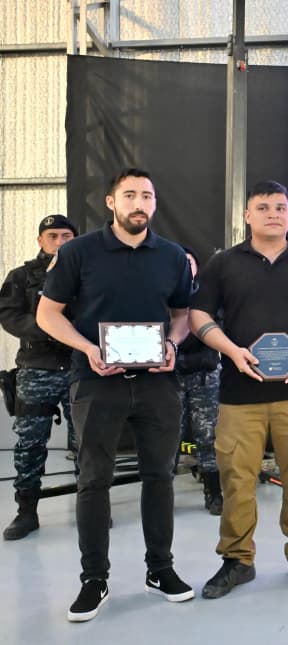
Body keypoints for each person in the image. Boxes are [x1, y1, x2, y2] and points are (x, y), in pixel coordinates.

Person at [37, 168, 194, 622]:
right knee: (94, 480)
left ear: (154, 203)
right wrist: (88, 348)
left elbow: (182, 314)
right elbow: (48, 315)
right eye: (129, 195)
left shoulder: (171, 256)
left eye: (146, 195)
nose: (138, 203)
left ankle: (160, 570)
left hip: (156, 384)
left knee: (160, 476)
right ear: (111, 203)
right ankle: (94, 579)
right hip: (95, 382)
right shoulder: (77, 252)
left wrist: (172, 344)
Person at [190, 180, 288, 599]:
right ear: (247, 215)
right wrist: (231, 350)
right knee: (237, 480)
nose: (273, 214)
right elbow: (198, 314)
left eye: (280, 207)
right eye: (263, 207)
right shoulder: (223, 264)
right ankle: (237, 560)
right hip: (239, 395)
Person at [0, 215, 79, 540]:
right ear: (40, 240)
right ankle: (26, 511)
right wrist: (49, 329)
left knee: (87, 440)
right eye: (52, 236)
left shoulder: (87, 273)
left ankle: (90, 507)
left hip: (79, 367)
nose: (59, 242)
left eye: (66, 236)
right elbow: (9, 315)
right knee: (30, 443)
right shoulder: (21, 276)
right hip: (37, 368)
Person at [175, 247, 222, 515]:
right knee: (166, 437)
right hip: (167, 378)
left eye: (188, 262)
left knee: (209, 436)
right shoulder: (157, 293)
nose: (183, 267)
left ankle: (213, 491)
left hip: (204, 376)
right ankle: (161, 494)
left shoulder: (209, 294)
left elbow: (219, 330)